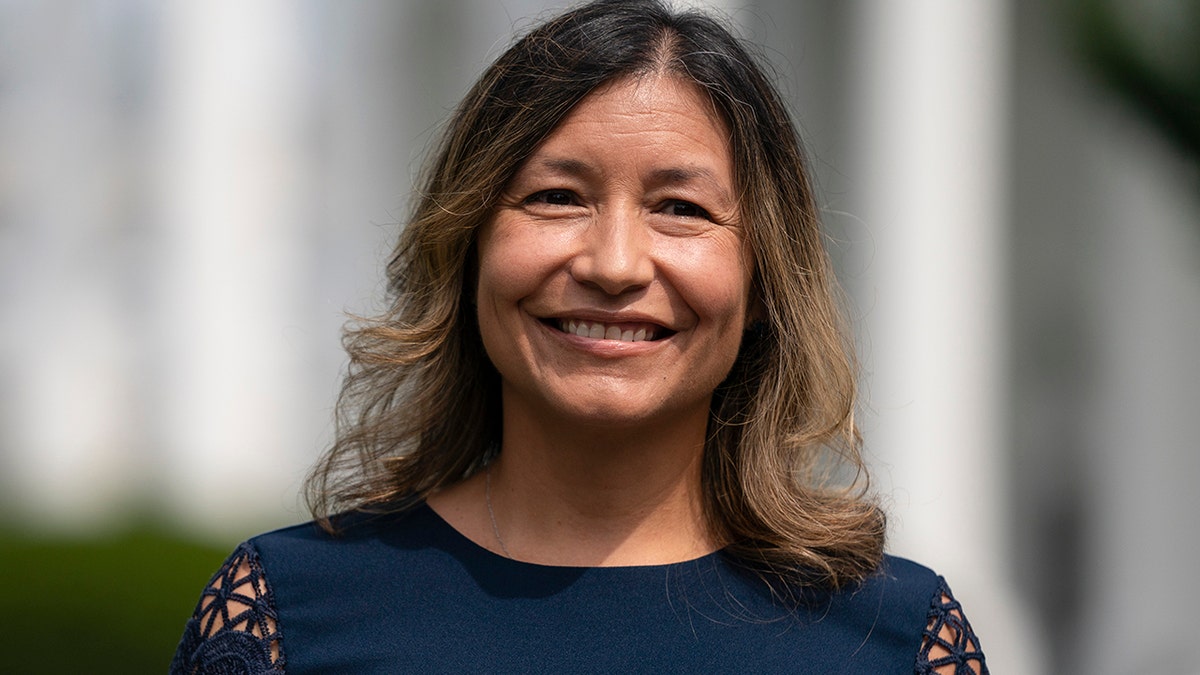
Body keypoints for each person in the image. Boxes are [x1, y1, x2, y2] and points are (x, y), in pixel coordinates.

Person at [171, 1, 987, 673]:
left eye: (681, 208)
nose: (615, 263)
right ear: (469, 248)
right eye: (558, 196)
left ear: (766, 282)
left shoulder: (897, 638)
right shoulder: (284, 617)